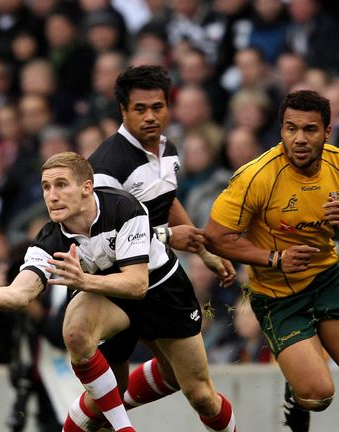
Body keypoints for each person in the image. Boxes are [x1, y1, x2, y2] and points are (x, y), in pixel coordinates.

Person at [203, 90, 339, 432]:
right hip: (277, 295)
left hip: (328, 279)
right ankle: (296, 395)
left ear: (327, 132)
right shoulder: (256, 176)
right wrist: (273, 258)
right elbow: (215, 236)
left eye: (310, 130)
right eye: (291, 129)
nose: (299, 139)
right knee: (318, 395)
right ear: (281, 130)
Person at [0, 151, 162, 432]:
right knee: (93, 402)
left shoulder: (120, 210)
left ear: (86, 188)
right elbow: (20, 292)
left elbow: (135, 284)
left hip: (142, 305)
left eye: (60, 185)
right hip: (52, 372)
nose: (52, 195)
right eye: (46, 187)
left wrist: (82, 282)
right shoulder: (46, 244)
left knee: (192, 386)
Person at [76, 65, 237, 432]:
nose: (151, 116)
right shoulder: (105, 168)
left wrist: (203, 249)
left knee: (199, 394)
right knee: (103, 404)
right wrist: (168, 237)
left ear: (169, 107)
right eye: (140, 109)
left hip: (163, 283)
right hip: (118, 288)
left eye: (158, 107)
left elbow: (165, 200)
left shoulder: (169, 148)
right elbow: (109, 237)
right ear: (123, 111)